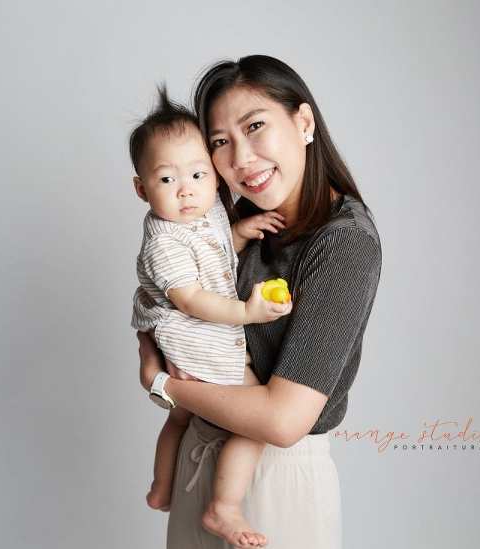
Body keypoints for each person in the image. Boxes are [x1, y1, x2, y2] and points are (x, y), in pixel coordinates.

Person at [137, 55, 382, 549]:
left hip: (274, 483)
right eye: (220, 142)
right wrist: (150, 342)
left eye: (255, 127)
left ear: (304, 123)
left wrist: (163, 384)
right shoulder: (232, 222)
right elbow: (166, 298)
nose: (241, 159)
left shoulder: (344, 243)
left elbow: (282, 421)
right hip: (198, 461)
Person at [129, 86, 294, 547]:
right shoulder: (164, 240)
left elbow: (215, 253)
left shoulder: (206, 211)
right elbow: (190, 297)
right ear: (142, 189)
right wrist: (247, 311)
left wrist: (239, 232)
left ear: (212, 176)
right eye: (167, 180)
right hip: (196, 338)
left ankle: (161, 487)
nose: (186, 189)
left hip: (190, 340)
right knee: (258, 421)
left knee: (180, 418)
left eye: (198, 174)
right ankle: (224, 506)